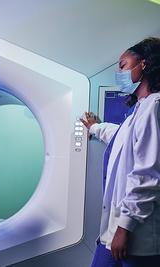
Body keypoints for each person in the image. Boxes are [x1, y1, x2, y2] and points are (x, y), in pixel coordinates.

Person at [82, 37, 160, 267]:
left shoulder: (154, 106)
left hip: (134, 233)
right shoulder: (140, 108)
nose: (119, 72)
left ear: (144, 64)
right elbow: (121, 138)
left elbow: (148, 174)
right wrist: (95, 127)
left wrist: (124, 227)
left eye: (123, 64)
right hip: (116, 228)